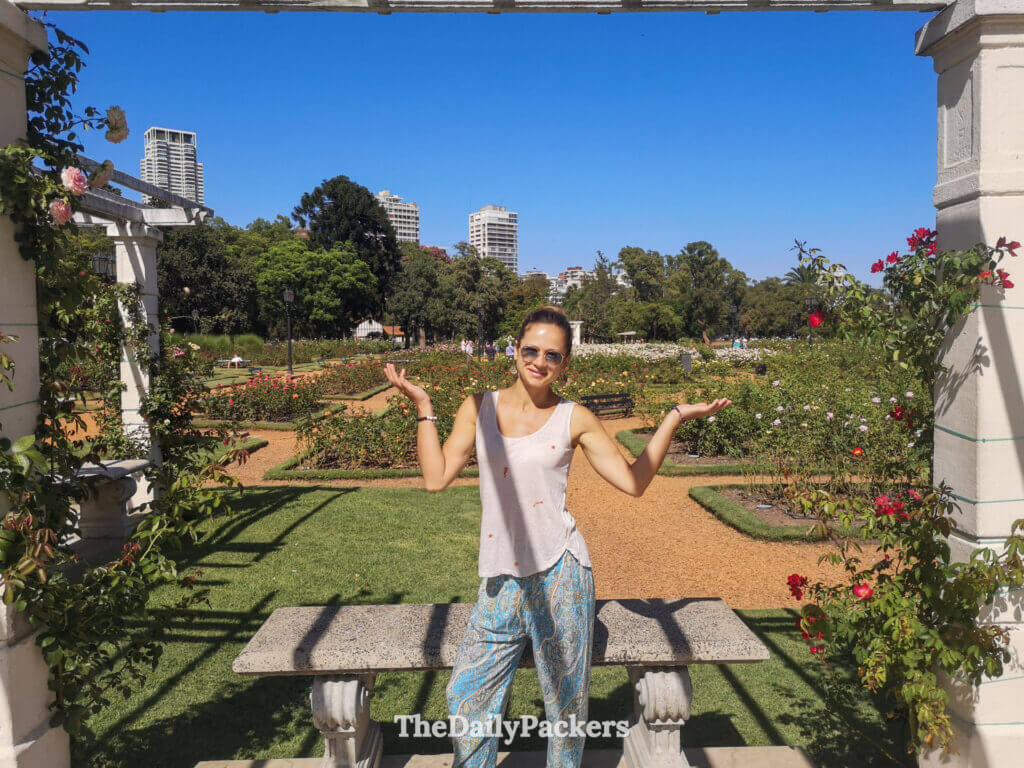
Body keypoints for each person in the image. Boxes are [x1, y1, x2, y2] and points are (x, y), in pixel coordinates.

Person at [384, 306, 731, 768]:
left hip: (561, 573)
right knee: (466, 698)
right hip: (500, 580)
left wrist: (673, 418)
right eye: (531, 350)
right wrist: (424, 408)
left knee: (565, 708)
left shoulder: (574, 418)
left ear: (565, 362)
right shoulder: (478, 407)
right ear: (514, 350)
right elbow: (435, 476)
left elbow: (634, 482)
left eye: (553, 354)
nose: (539, 362)